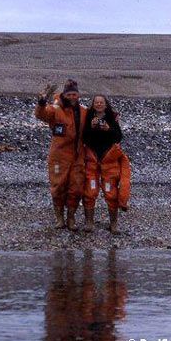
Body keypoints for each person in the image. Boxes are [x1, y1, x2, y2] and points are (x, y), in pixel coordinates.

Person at [35, 79, 88, 231]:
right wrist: (41, 102)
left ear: (78, 95)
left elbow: (95, 122)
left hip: (77, 156)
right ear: (65, 94)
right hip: (58, 156)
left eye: (75, 94)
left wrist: (111, 119)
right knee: (58, 187)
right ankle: (59, 218)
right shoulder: (55, 109)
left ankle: (71, 218)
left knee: (76, 188)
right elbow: (41, 114)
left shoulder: (84, 111)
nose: (72, 97)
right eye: (69, 94)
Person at [82, 95, 131, 234]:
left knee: (110, 192)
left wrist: (108, 128)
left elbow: (118, 137)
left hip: (108, 160)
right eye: (96, 102)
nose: (98, 104)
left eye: (101, 102)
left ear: (105, 104)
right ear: (93, 104)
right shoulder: (88, 117)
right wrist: (92, 127)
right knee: (90, 191)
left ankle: (113, 224)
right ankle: (89, 222)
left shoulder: (111, 117)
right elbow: (84, 137)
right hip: (91, 159)